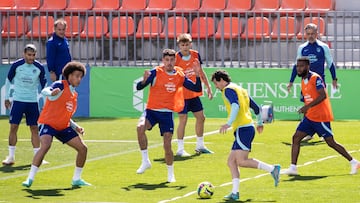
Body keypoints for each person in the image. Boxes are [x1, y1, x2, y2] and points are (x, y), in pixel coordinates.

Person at [281, 57, 359, 176]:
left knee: (331, 142)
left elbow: (322, 95)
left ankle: (353, 161)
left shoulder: (315, 78)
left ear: (307, 67)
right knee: (296, 138)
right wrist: (306, 110)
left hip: (320, 117)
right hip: (310, 117)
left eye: (301, 66)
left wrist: (307, 107)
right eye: (297, 66)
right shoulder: (303, 80)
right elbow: (308, 99)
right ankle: (293, 168)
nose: (299, 68)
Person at [211, 70, 280, 201]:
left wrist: (228, 123)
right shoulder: (240, 89)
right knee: (231, 161)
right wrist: (259, 122)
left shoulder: (228, 90)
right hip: (245, 129)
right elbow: (257, 108)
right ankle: (235, 193)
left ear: (221, 80)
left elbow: (235, 106)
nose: (216, 87)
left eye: (216, 83)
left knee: (241, 161)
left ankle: (272, 169)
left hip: (243, 129)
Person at [135, 49, 202, 183]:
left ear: (174, 61)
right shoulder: (155, 72)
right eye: (167, 60)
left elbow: (196, 88)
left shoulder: (179, 75)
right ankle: (145, 160)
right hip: (152, 111)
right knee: (140, 127)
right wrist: (143, 81)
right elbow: (139, 87)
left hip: (167, 114)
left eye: (172, 60)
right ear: (163, 61)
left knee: (167, 145)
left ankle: (170, 174)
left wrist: (197, 74)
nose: (169, 63)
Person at [22, 62, 90, 188]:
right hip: (48, 123)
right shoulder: (60, 85)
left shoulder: (74, 95)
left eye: (81, 77)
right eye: (76, 76)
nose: (79, 79)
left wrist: (76, 127)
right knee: (46, 145)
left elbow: (66, 116)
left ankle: (76, 179)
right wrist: (51, 93)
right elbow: (45, 90)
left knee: (83, 149)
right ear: (69, 76)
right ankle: (29, 178)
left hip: (63, 127)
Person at [287, 23, 338, 141]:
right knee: (307, 104)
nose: (310, 36)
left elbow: (330, 63)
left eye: (312, 34)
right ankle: (309, 132)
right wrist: (291, 81)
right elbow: (296, 65)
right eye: (308, 34)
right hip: (306, 82)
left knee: (320, 105)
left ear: (317, 34)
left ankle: (325, 131)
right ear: (305, 35)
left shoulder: (323, 47)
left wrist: (334, 79)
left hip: (319, 81)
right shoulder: (302, 48)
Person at [3, 44, 47, 166]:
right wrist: (7, 98)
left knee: (34, 128)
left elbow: (44, 86)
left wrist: (45, 102)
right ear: (24, 54)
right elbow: (8, 80)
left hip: (32, 102)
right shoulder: (17, 65)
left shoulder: (39, 67)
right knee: (14, 127)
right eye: (29, 55)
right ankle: (11, 157)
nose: (31, 57)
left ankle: (38, 158)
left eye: (33, 55)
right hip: (18, 101)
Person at [175, 33, 213, 157]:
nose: (185, 47)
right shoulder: (176, 58)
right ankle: (180, 149)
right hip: (181, 95)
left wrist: (208, 87)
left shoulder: (195, 55)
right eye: (182, 45)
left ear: (190, 44)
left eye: (187, 44)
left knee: (201, 117)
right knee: (183, 120)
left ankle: (200, 145)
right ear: (179, 46)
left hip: (194, 94)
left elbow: (200, 72)